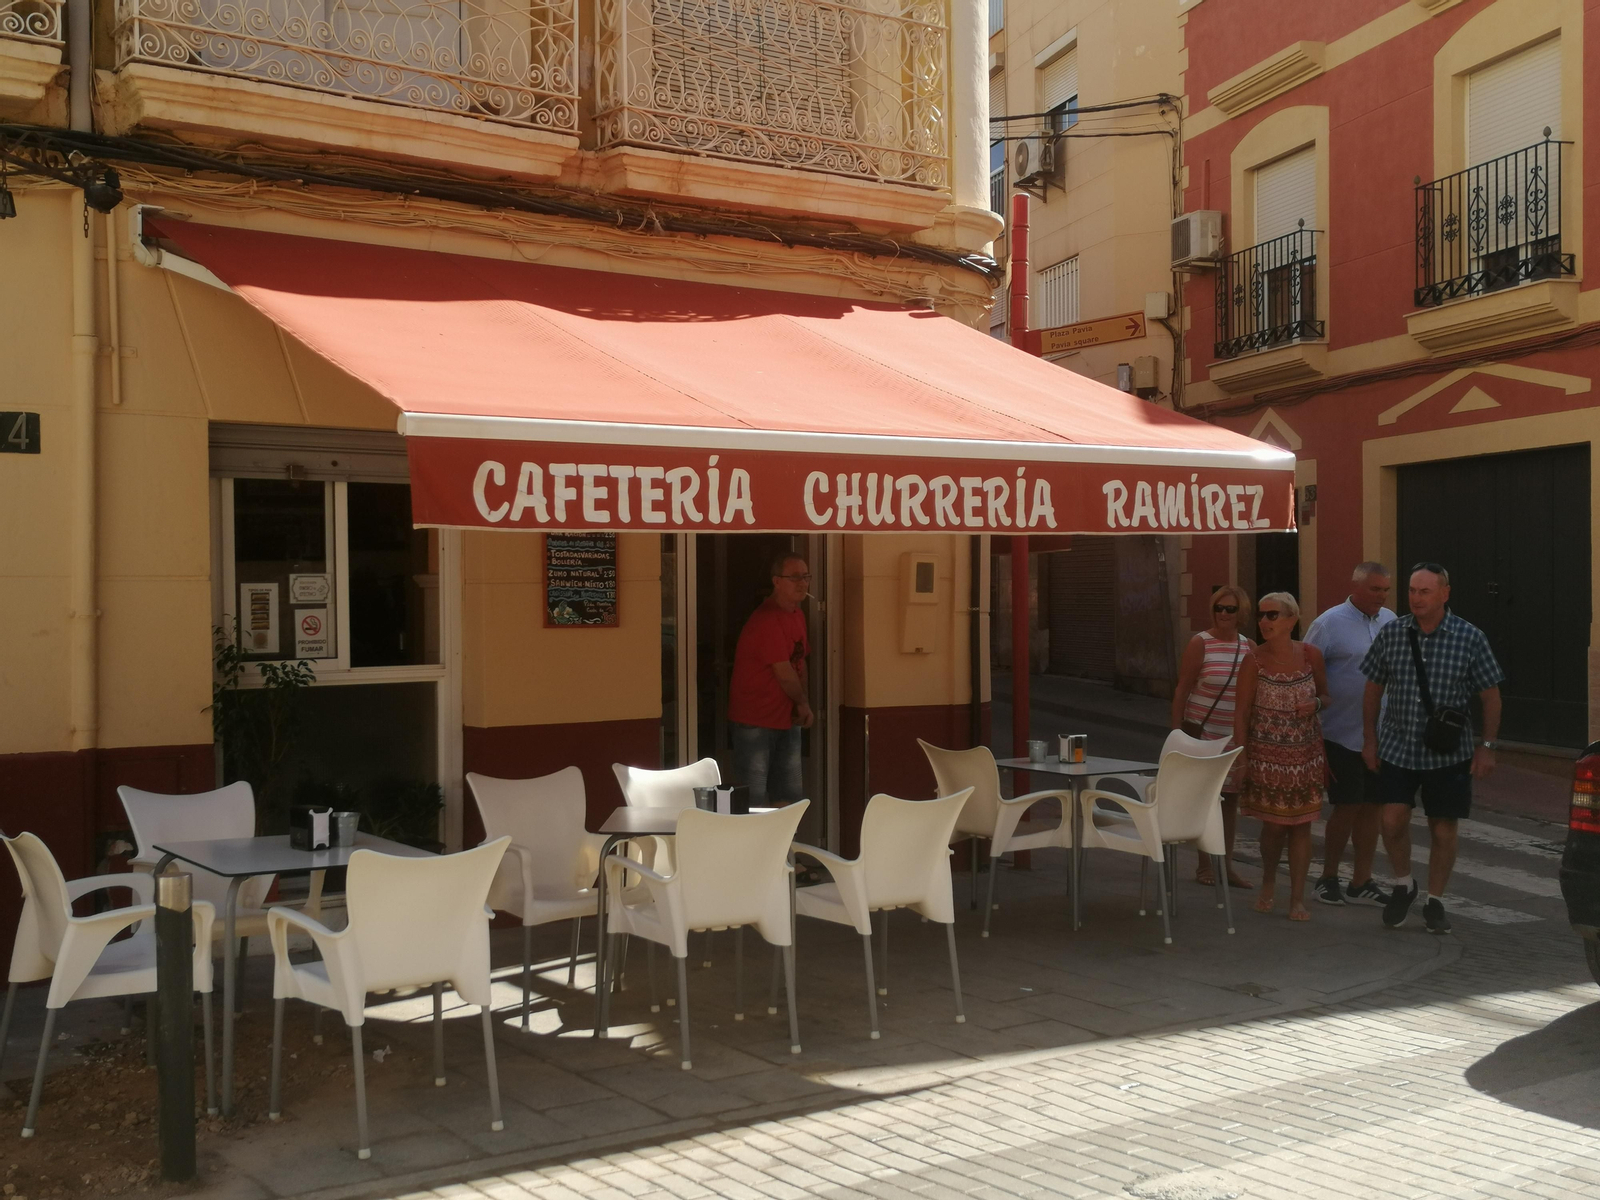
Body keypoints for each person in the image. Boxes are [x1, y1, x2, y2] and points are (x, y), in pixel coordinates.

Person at [1361, 563, 1503, 934]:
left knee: (1443, 829)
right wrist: (1370, 740)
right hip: (1398, 746)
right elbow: (1373, 689)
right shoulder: (1393, 633)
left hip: (1448, 752)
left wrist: (1486, 747)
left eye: (1425, 591)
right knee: (1391, 821)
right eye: (1412, 590)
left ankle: (1436, 901)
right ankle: (1404, 884)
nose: (1416, 598)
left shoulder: (1469, 637)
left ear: (1444, 593)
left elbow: (1491, 697)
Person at [1304, 563, 1396, 906]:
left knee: (1372, 807)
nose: (1382, 596)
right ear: (1356, 587)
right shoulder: (1328, 624)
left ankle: (1362, 879)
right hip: (1339, 732)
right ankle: (1328, 876)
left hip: (1381, 734)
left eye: (1386, 589)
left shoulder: (1391, 621)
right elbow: (1307, 669)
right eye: (1375, 589)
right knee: (1347, 805)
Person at [1234, 592, 1329, 922]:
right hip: (1267, 757)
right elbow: (1242, 711)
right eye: (1261, 616)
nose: (1264, 621)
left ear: (1292, 619)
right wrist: (1241, 757)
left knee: (1301, 827)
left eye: (1272, 615)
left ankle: (1297, 898)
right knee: (1274, 828)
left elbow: (1326, 696)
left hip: (1305, 756)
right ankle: (1269, 880)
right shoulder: (1253, 661)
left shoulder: (1310, 655)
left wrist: (1314, 704)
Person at [1171, 584, 1254, 889]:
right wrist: (1176, 733)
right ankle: (1205, 866)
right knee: (1205, 799)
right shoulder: (1200, 643)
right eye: (1218, 608)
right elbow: (1182, 689)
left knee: (1229, 801)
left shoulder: (1249, 647)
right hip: (1203, 734)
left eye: (1230, 609)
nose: (1223, 614)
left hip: (1233, 737)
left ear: (1241, 612)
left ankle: (1226, 866)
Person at [728, 553, 813, 811]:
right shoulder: (767, 618)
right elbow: (784, 672)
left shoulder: (796, 614)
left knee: (788, 797)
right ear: (777, 581)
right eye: (794, 577)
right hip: (755, 721)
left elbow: (800, 661)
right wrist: (803, 704)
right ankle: (751, 852)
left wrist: (802, 704)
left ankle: (786, 852)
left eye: (806, 576)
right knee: (752, 801)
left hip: (786, 718)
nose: (802, 583)